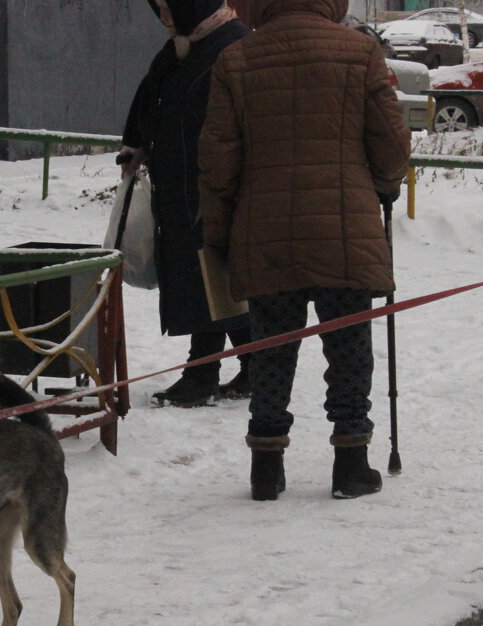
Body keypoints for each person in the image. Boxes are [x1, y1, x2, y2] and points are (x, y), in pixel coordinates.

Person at [197, 0, 410, 500]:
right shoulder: (361, 52)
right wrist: (382, 184)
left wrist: (222, 233)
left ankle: (266, 470)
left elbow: (218, 159)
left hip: (265, 231)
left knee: (271, 348)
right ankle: (351, 464)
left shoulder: (237, 59)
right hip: (346, 232)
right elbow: (392, 144)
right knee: (349, 349)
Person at [120, 0, 253, 408]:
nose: (163, 17)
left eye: (168, 7)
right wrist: (135, 143)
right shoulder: (184, 46)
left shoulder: (233, 46)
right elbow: (153, 95)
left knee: (206, 279)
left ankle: (202, 372)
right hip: (180, 186)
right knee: (209, 280)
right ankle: (256, 363)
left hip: (215, 188)